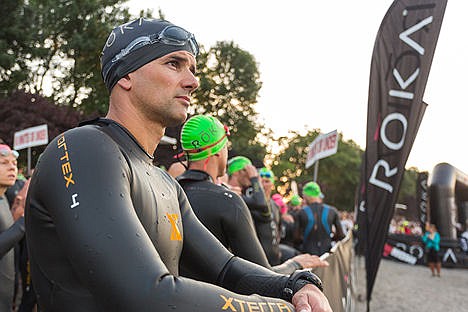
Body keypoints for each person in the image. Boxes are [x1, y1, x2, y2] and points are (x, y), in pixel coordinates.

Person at [25, 18, 331, 311]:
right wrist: (279, 308)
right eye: (174, 64)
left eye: (193, 69)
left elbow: (226, 268)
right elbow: (148, 297)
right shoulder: (84, 149)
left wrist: (294, 285)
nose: (193, 81)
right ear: (126, 76)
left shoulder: (166, 183)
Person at [177, 115, 328, 275]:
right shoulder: (228, 201)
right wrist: (295, 264)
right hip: (215, 298)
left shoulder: (168, 188)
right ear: (218, 151)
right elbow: (262, 275)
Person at [227, 156, 281, 264]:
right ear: (239, 172)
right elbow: (261, 204)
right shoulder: (230, 194)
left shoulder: (241, 196)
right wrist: (254, 179)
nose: (252, 174)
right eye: (249, 171)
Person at [0, 144, 25, 311]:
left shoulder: (4, 198)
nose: (12, 167)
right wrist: (23, 224)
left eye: (14, 163)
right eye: (4, 163)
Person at [295, 181, 345, 256]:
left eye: (304, 197)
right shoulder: (332, 211)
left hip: (308, 256)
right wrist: (329, 238)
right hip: (327, 254)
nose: (304, 199)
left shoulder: (301, 213)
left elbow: (296, 238)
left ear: (307, 196)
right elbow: (341, 235)